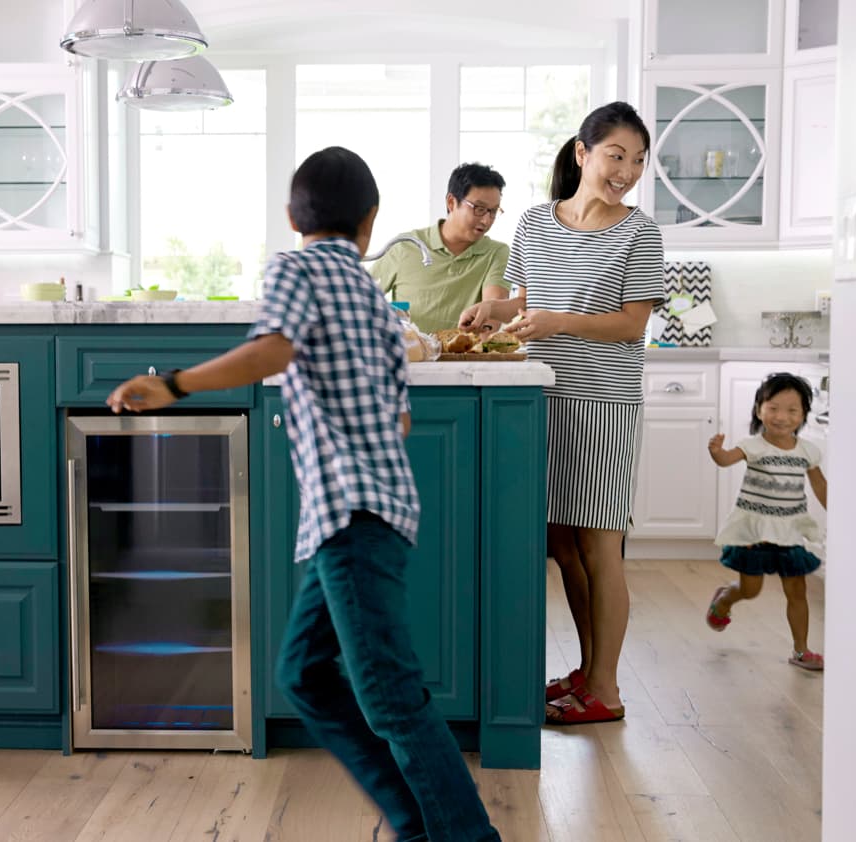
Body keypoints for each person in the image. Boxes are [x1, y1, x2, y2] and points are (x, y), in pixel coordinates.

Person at [107, 146, 502, 842]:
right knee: (305, 675)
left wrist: (171, 385)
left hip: (349, 513)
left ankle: (466, 838)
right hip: (369, 513)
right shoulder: (379, 306)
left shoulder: (295, 267)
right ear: (371, 222)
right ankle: (418, 825)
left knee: (389, 696)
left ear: (293, 217)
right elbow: (400, 417)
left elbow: (273, 348)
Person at [458, 102, 665, 725]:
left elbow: (632, 324)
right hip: (542, 396)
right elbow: (525, 300)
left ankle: (606, 688)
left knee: (601, 546)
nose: (625, 171)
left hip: (603, 402)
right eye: (614, 156)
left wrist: (553, 321)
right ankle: (587, 668)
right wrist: (493, 314)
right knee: (562, 544)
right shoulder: (534, 223)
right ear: (582, 153)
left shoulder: (640, 230)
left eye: (635, 160)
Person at [705, 372, 828, 670]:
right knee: (751, 589)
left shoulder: (807, 451)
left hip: (789, 532)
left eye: (791, 410)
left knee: (796, 591)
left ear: (803, 415)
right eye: (773, 408)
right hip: (754, 533)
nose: (781, 417)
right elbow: (726, 460)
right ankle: (724, 600)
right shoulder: (753, 446)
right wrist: (717, 452)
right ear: (759, 409)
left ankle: (801, 651)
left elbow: (820, 485)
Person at [367, 163, 512, 333]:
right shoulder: (405, 246)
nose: (487, 220)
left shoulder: (496, 253)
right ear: (451, 202)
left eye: (493, 211)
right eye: (479, 209)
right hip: (412, 356)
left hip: (466, 357)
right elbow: (363, 300)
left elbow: (492, 313)